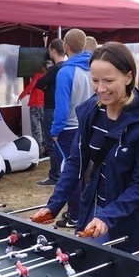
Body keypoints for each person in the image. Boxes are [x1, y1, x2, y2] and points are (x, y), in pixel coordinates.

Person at [32, 42, 139, 259]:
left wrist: (108, 216)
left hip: (128, 219)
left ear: (129, 77)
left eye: (109, 81)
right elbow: (76, 162)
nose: (101, 89)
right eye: (95, 80)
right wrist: (54, 205)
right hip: (92, 210)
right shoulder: (90, 112)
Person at [50, 29, 93, 228]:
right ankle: (82, 213)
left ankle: (75, 215)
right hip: (91, 127)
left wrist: (55, 131)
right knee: (86, 172)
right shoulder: (93, 68)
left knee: (70, 173)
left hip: (69, 129)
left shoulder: (66, 72)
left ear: (66, 47)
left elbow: (62, 107)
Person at [34, 38, 66, 185]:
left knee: (51, 142)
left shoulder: (56, 69)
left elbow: (39, 84)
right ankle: (61, 172)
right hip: (63, 109)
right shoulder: (67, 67)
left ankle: (54, 175)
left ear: (53, 50)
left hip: (51, 109)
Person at [17, 62, 46, 153]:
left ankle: (39, 149)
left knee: (36, 128)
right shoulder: (49, 77)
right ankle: (47, 148)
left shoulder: (37, 76)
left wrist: (21, 96)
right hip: (44, 106)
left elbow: (30, 86)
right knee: (44, 127)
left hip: (34, 105)